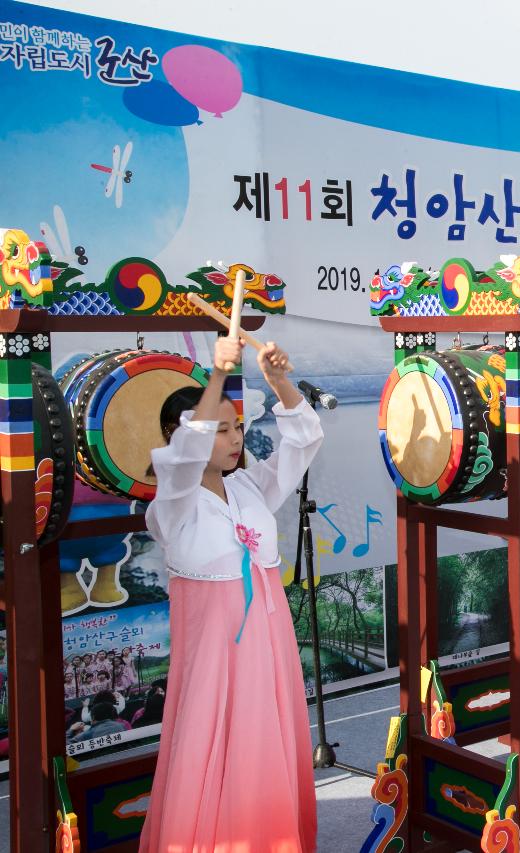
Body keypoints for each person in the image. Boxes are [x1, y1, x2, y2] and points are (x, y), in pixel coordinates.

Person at [139, 335, 320, 853]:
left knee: (265, 746)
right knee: (212, 747)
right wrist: (215, 375)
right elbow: (182, 460)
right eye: (221, 430)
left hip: (268, 643)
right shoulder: (172, 505)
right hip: (215, 657)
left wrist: (278, 381)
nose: (235, 439)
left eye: (238, 427)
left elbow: (303, 443)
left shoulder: (248, 488)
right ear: (182, 434)